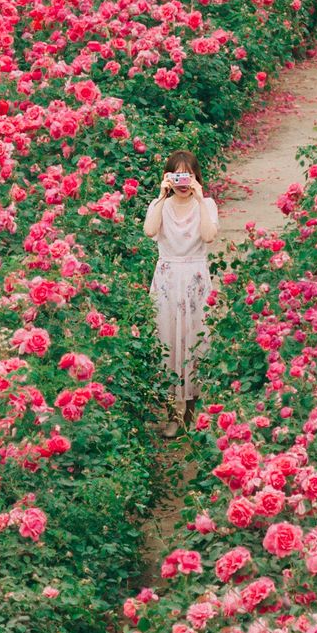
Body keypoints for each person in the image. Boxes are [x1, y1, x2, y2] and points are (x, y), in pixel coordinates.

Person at [143, 150, 219, 438]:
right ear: (168, 177)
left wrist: (199, 198)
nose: (182, 182)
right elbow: (150, 230)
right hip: (167, 278)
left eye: (187, 175)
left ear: (196, 176)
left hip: (195, 279)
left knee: (194, 343)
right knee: (166, 341)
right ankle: (172, 415)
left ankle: (189, 413)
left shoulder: (206, 204)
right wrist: (162, 197)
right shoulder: (159, 205)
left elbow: (209, 236)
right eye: (177, 175)